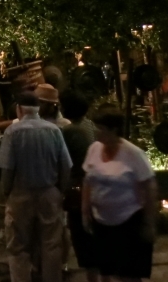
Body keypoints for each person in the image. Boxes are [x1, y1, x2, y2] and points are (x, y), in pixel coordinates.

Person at [0, 87, 72, 282]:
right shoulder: (54, 130)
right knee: (51, 244)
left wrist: (7, 193)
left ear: (19, 109)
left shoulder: (12, 132)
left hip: (20, 195)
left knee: (18, 247)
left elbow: (7, 169)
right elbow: (65, 165)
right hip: (49, 193)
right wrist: (60, 191)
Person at [82, 105, 158, 282]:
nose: (96, 132)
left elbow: (150, 186)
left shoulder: (133, 154)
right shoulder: (94, 149)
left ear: (113, 129)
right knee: (106, 270)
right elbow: (88, 180)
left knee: (127, 275)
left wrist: (149, 223)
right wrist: (85, 211)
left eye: (100, 128)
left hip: (127, 222)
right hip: (101, 221)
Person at [59, 91, 97, 279]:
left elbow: (63, 161)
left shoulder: (69, 131)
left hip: (78, 188)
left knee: (82, 237)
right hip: (96, 186)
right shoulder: (91, 126)